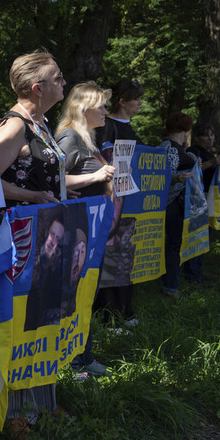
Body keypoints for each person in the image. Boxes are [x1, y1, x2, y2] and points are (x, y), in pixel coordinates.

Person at [0, 50, 66, 433]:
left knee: (43, 317)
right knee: (17, 320)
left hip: (44, 232)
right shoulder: (15, 126)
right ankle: (9, 411)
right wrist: (33, 197)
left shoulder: (43, 122)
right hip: (18, 237)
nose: (64, 82)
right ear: (38, 88)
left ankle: (41, 400)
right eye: (58, 77)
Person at [55, 81, 115, 377]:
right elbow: (56, 181)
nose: (106, 111)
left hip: (90, 229)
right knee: (77, 295)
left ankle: (84, 356)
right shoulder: (69, 138)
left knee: (85, 293)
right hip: (77, 230)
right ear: (84, 108)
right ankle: (76, 363)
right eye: (102, 105)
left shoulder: (87, 138)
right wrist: (98, 176)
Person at [92, 79, 144, 326]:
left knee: (125, 259)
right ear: (122, 100)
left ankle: (126, 309)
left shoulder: (131, 129)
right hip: (112, 206)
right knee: (111, 259)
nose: (140, 103)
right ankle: (110, 314)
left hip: (131, 208)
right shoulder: (107, 126)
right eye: (136, 98)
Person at [182, 122, 220, 282]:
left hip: (209, 199)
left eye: (212, 135)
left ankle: (197, 272)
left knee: (205, 236)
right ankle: (191, 274)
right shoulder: (193, 151)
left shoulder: (208, 152)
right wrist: (213, 163)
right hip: (197, 200)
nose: (210, 138)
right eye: (205, 135)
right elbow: (192, 171)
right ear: (197, 138)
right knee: (197, 236)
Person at [160, 111, 195, 296]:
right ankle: (170, 286)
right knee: (174, 244)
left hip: (176, 204)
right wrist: (178, 178)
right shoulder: (171, 148)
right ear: (186, 129)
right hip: (172, 203)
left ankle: (169, 282)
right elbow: (166, 177)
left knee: (174, 244)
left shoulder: (173, 147)